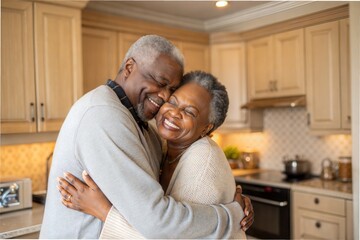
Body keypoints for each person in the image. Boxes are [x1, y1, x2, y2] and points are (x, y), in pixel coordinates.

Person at [40, 35, 253, 239]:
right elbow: (158, 221)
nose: (164, 96)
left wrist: (229, 200)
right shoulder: (102, 114)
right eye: (160, 83)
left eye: (171, 89)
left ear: (207, 128)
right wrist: (233, 213)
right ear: (129, 67)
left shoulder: (147, 130)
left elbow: (162, 224)